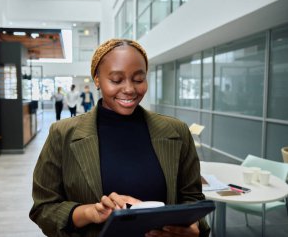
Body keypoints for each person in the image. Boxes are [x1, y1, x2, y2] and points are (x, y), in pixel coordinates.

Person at [29, 39, 210, 237]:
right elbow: (43, 208)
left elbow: (194, 200)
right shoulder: (62, 134)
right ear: (97, 79)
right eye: (116, 80)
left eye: (139, 79)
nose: (130, 89)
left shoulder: (177, 132)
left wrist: (193, 229)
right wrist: (90, 212)